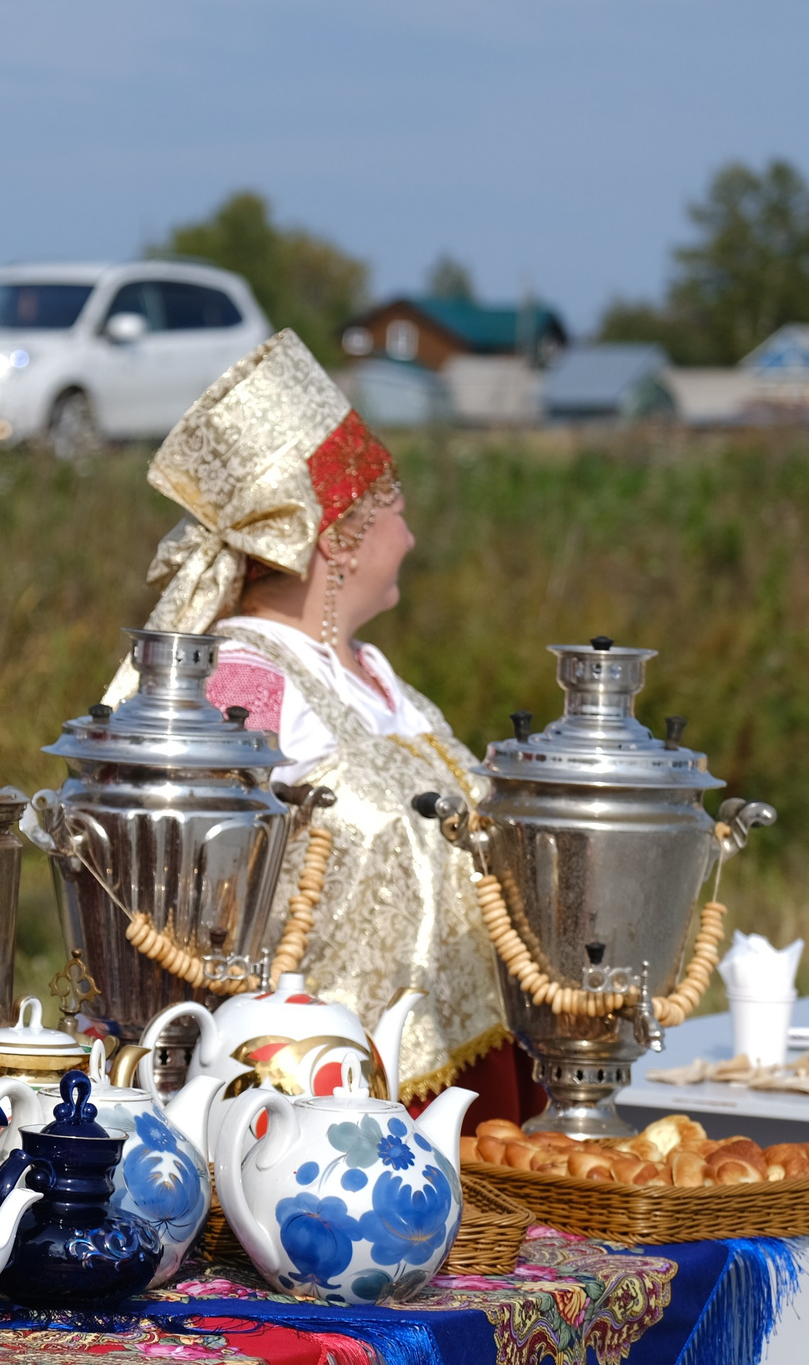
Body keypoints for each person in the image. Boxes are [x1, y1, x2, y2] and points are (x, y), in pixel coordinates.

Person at [103, 329, 528, 1125]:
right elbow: (190, 888)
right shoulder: (243, 672)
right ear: (337, 538)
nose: (410, 537)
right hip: (321, 1098)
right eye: (395, 511)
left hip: (461, 1070)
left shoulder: (377, 674)